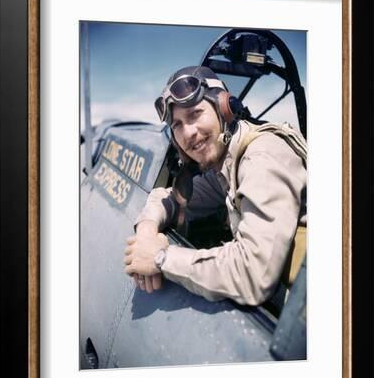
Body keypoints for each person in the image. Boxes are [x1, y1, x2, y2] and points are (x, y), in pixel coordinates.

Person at [124, 66, 307, 306]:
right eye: (177, 124)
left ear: (225, 109)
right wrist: (147, 233)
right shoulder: (228, 164)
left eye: (195, 114)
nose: (188, 132)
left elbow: (254, 275)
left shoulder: (261, 158)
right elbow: (170, 198)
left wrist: (160, 259)